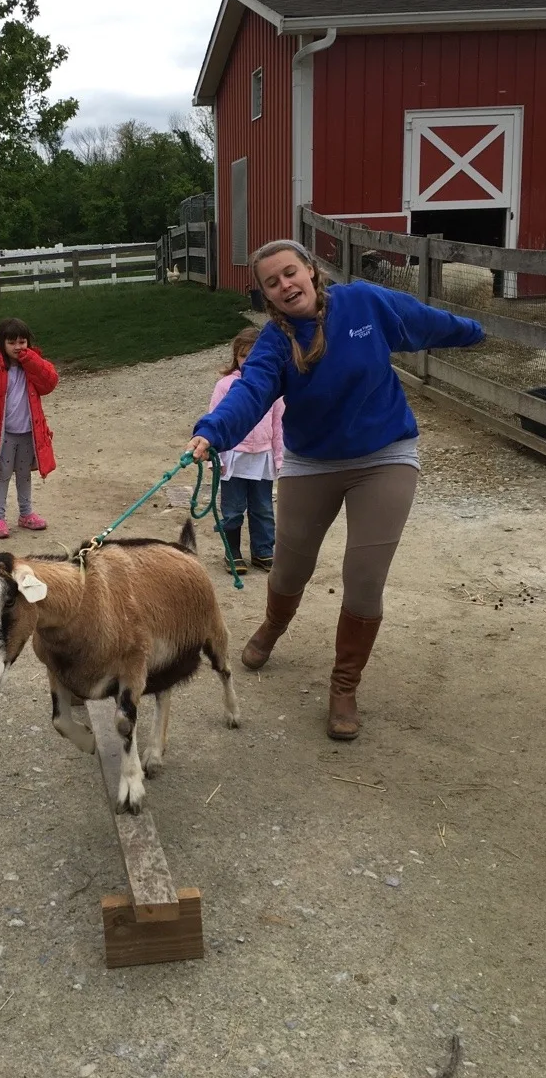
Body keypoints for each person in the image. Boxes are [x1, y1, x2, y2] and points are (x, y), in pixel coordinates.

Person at [187, 239, 484, 741]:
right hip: (311, 463)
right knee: (290, 566)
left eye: (290, 273)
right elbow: (252, 391)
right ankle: (273, 626)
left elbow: (423, 321)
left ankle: (344, 685)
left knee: (364, 577)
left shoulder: (364, 302)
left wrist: (474, 332)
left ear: (310, 270)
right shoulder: (275, 344)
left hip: (385, 456)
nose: (285, 285)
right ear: (265, 295)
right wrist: (212, 430)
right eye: (272, 282)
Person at [0, 317, 58, 539]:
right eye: (12, 342)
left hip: (29, 432)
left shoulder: (33, 366)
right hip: (4, 435)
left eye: (22, 342)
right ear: (2, 344)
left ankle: (26, 514)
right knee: (2, 475)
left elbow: (49, 383)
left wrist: (33, 361)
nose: (18, 347)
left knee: (24, 475)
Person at [208, 327, 284, 574]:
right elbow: (216, 419)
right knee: (232, 509)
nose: (248, 362)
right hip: (234, 457)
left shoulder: (274, 388)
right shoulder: (225, 386)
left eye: (254, 356)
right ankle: (233, 553)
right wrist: (215, 457)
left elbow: (278, 424)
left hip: (262, 457)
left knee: (263, 508)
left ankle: (263, 551)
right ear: (236, 357)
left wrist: (280, 457)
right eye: (243, 356)